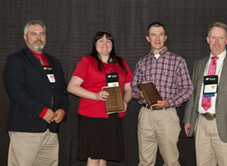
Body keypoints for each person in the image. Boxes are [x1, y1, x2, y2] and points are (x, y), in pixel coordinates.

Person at [3, 20, 69, 166]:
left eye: (42, 34)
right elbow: (16, 92)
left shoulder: (54, 62)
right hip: (25, 129)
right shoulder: (16, 59)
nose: (38, 37)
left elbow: (63, 89)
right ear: (25, 37)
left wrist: (62, 110)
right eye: (33, 34)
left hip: (51, 130)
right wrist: (42, 111)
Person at [183, 22, 227, 166]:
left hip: (226, 124)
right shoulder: (199, 64)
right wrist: (188, 119)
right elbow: (193, 93)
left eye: (221, 38)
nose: (217, 42)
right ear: (208, 40)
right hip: (201, 123)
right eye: (213, 37)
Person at [131, 22, 193, 166]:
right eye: (153, 34)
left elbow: (187, 88)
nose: (157, 38)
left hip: (167, 114)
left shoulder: (177, 61)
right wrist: (139, 94)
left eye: (160, 34)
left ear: (165, 37)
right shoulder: (142, 63)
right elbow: (133, 87)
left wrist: (169, 102)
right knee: (145, 161)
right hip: (146, 114)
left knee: (171, 161)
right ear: (148, 38)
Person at [67, 30, 133, 166]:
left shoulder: (121, 63)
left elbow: (129, 88)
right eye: (101, 41)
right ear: (95, 44)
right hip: (91, 116)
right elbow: (72, 87)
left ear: (113, 44)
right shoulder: (87, 61)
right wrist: (95, 96)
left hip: (113, 115)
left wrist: (125, 100)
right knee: (93, 156)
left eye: (109, 41)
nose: (105, 44)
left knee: (104, 156)